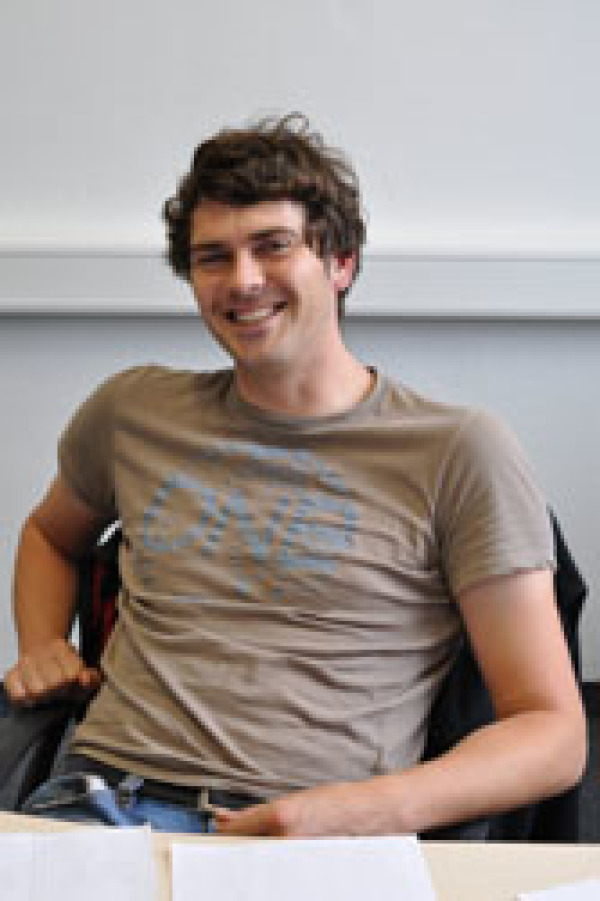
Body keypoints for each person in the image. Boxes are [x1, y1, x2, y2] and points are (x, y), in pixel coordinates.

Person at [4, 114, 586, 836]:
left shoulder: (459, 451)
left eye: (272, 246)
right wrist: (41, 644)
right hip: (100, 802)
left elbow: (552, 733)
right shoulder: (132, 411)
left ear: (340, 262)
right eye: (213, 258)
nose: (243, 281)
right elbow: (49, 536)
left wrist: (354, 812)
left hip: (320, 833)